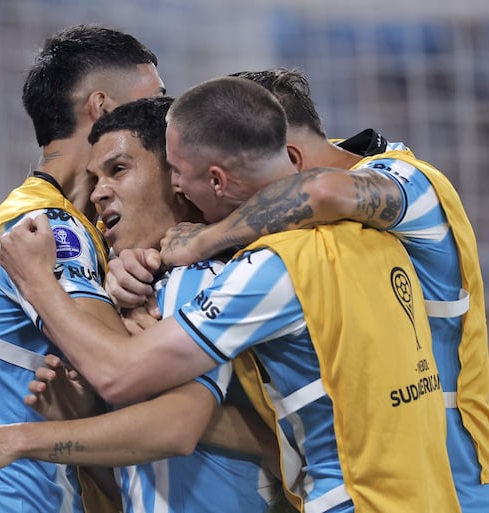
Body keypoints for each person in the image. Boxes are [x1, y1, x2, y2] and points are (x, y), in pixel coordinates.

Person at [0, 76, 460, 512]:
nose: (179, 185)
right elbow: (268, 434)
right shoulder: (377, 234)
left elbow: (154, 404)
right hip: (442, 486)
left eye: (178, 171)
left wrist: (38, 284)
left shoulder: (261, 270)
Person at [114, 68, 487, 513]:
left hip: (456, 483)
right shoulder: (300, 238)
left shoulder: (409, 185)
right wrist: (135, 272)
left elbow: (321, 192)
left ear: (288, 157)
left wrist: (198, 242)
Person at [0, 96, 287, 513]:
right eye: (95, 178)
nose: (98, 193)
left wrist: (15, 439)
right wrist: (81, 417)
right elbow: (141, 479)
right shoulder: (157, 283)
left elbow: (175, 426)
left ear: (178, 175)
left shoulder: (202, 278)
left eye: (118, 169)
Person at [0, 24, 165, 513]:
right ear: (102, 109)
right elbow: (120, 368)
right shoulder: (48, 228)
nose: (164, 119)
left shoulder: (72, 225)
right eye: (153, 101)